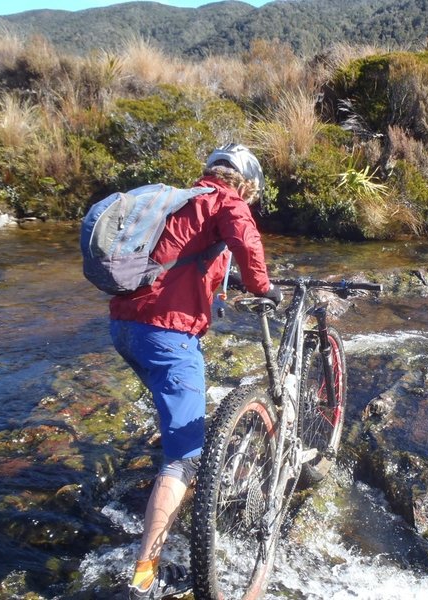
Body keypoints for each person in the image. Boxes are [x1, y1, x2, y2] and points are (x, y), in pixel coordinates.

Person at [108, 143, 283, 600]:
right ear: (244, 182)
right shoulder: (226, 200)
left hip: (123, 327)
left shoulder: (179, 200)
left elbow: (176, 262)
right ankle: (144, 578)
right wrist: (263, 288)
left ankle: (170, 468)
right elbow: (246, 240)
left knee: (172, 411)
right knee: (185, 457)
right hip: (167, 334)